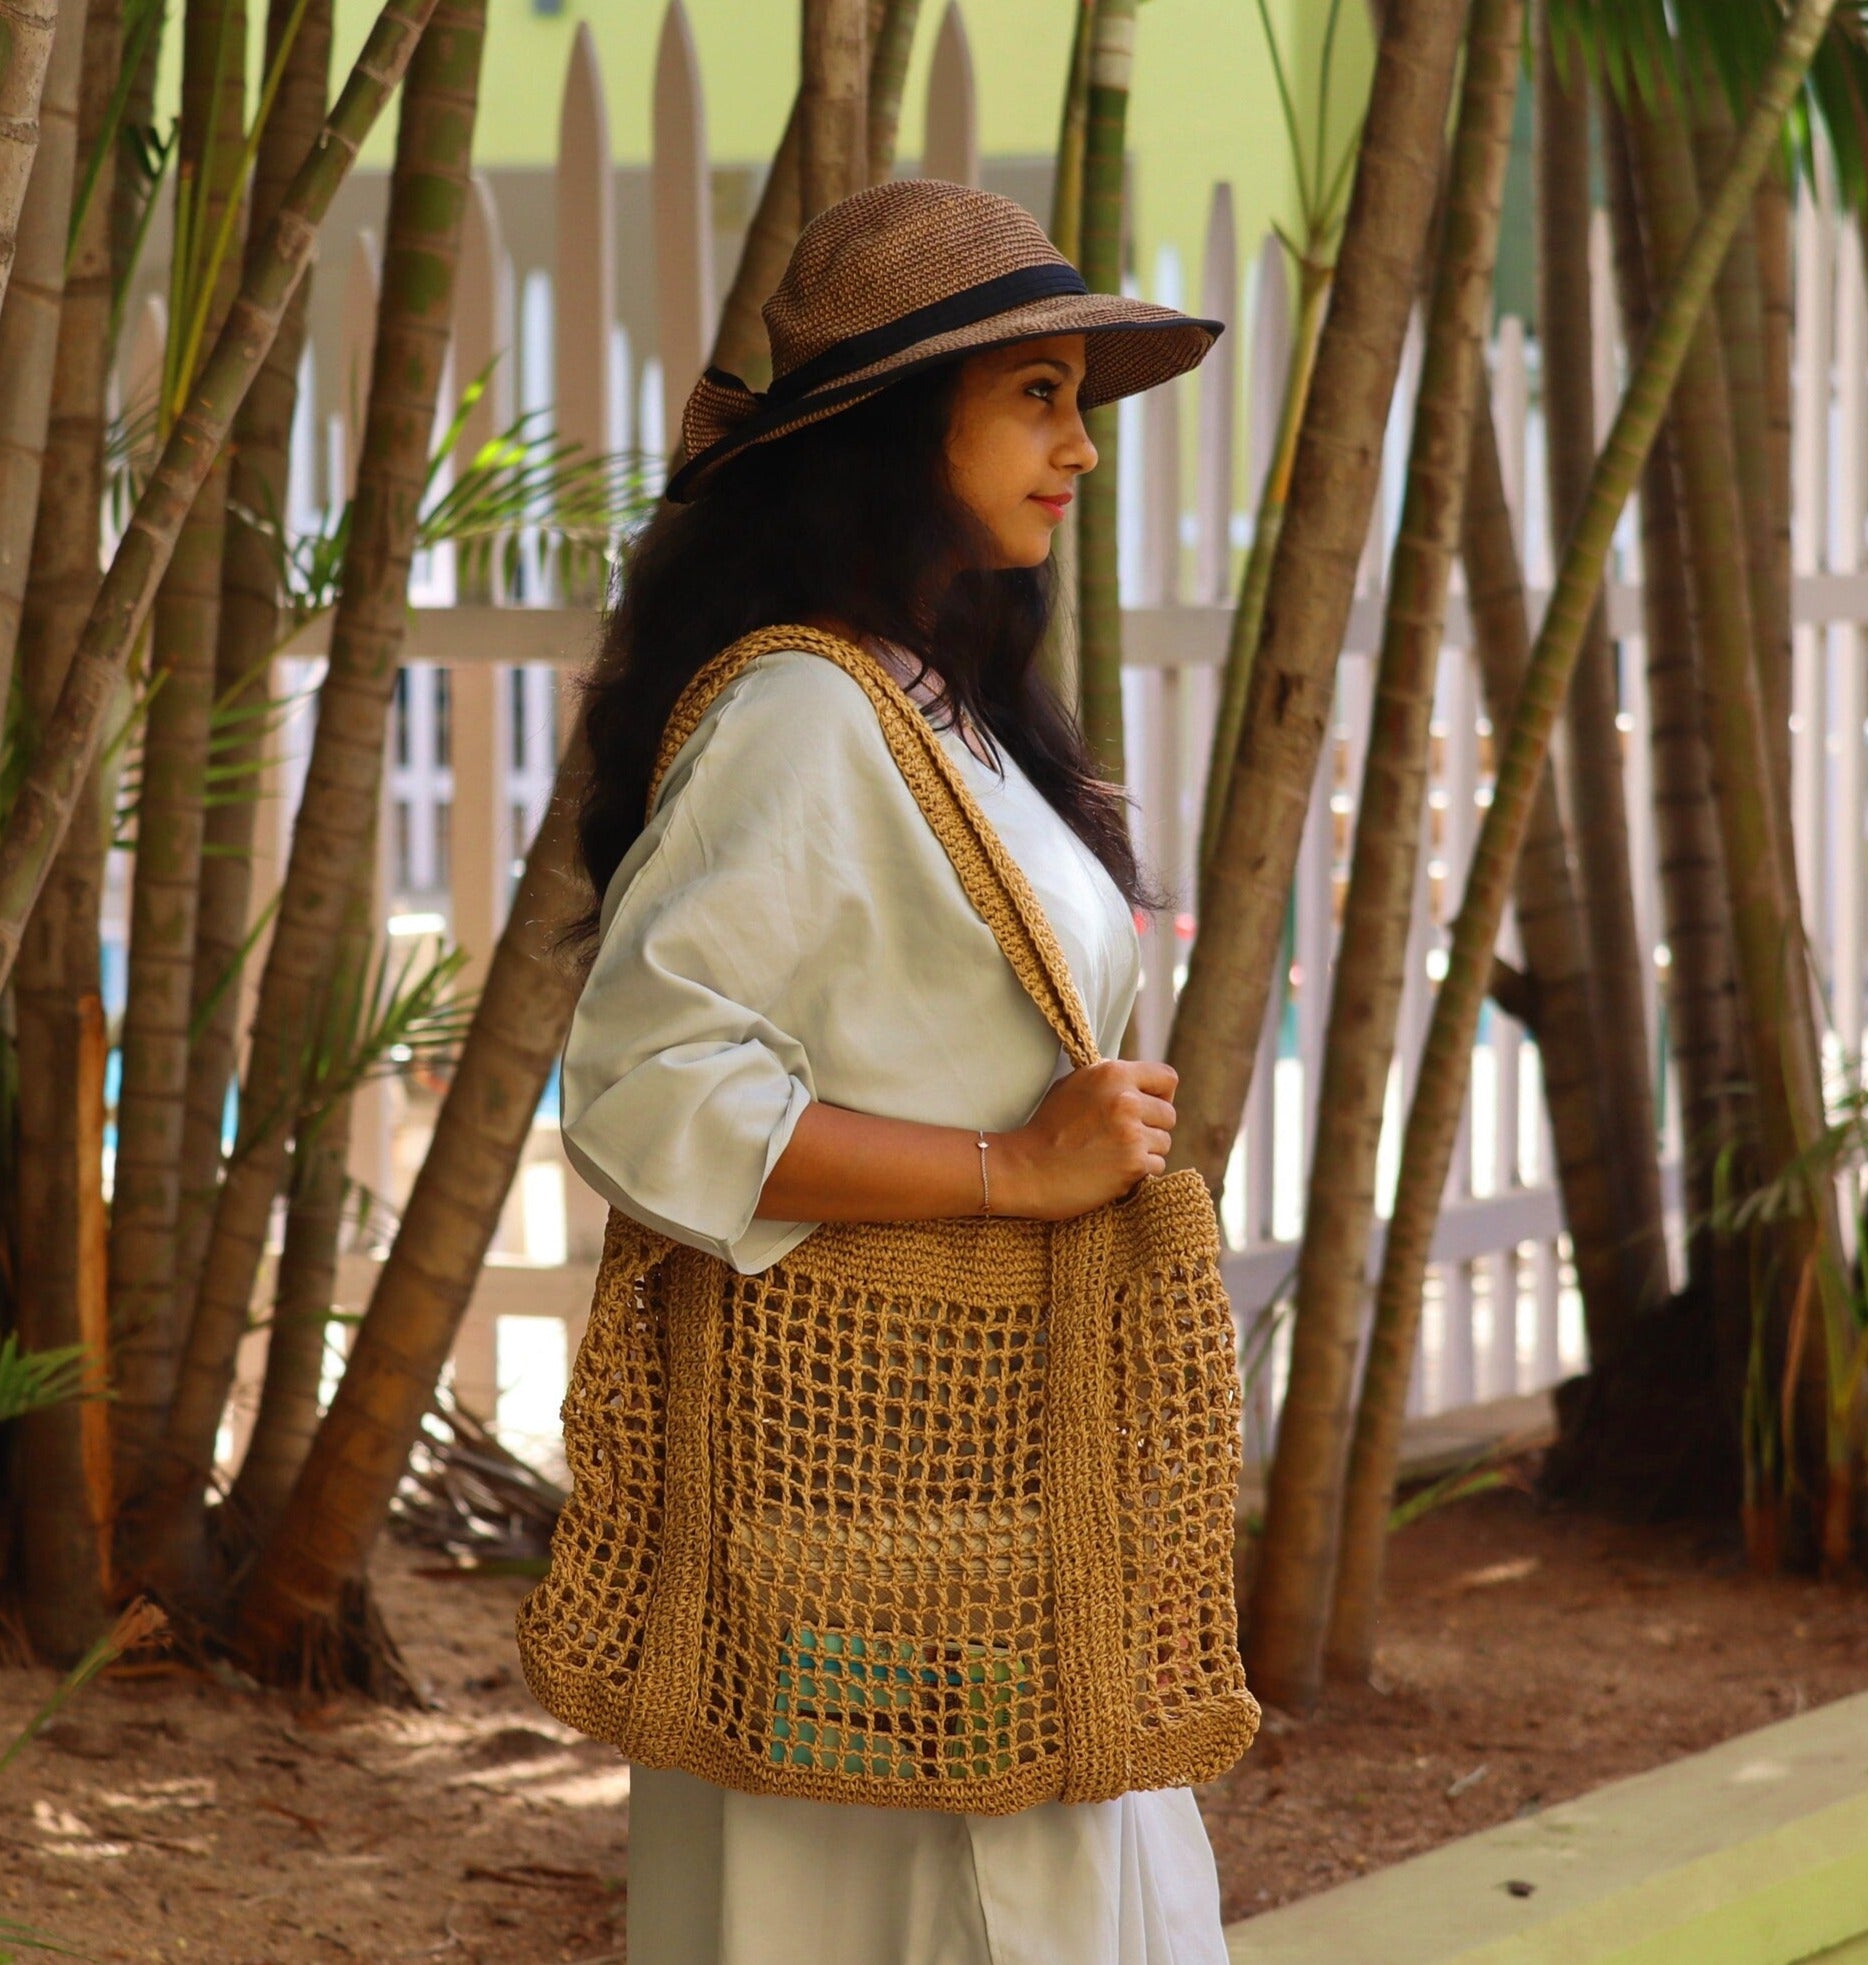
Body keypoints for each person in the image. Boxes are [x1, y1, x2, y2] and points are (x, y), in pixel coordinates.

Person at [560, 177, 1230, 1965]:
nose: (1076, 447)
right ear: (887, 425)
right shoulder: (805, 714)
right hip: (876, 1472)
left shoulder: (932, 698)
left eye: (1077, 400)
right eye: (1034, 395)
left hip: (997, 1457)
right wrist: (1017, 1173)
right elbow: (645, 1086)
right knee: (915, 1897)